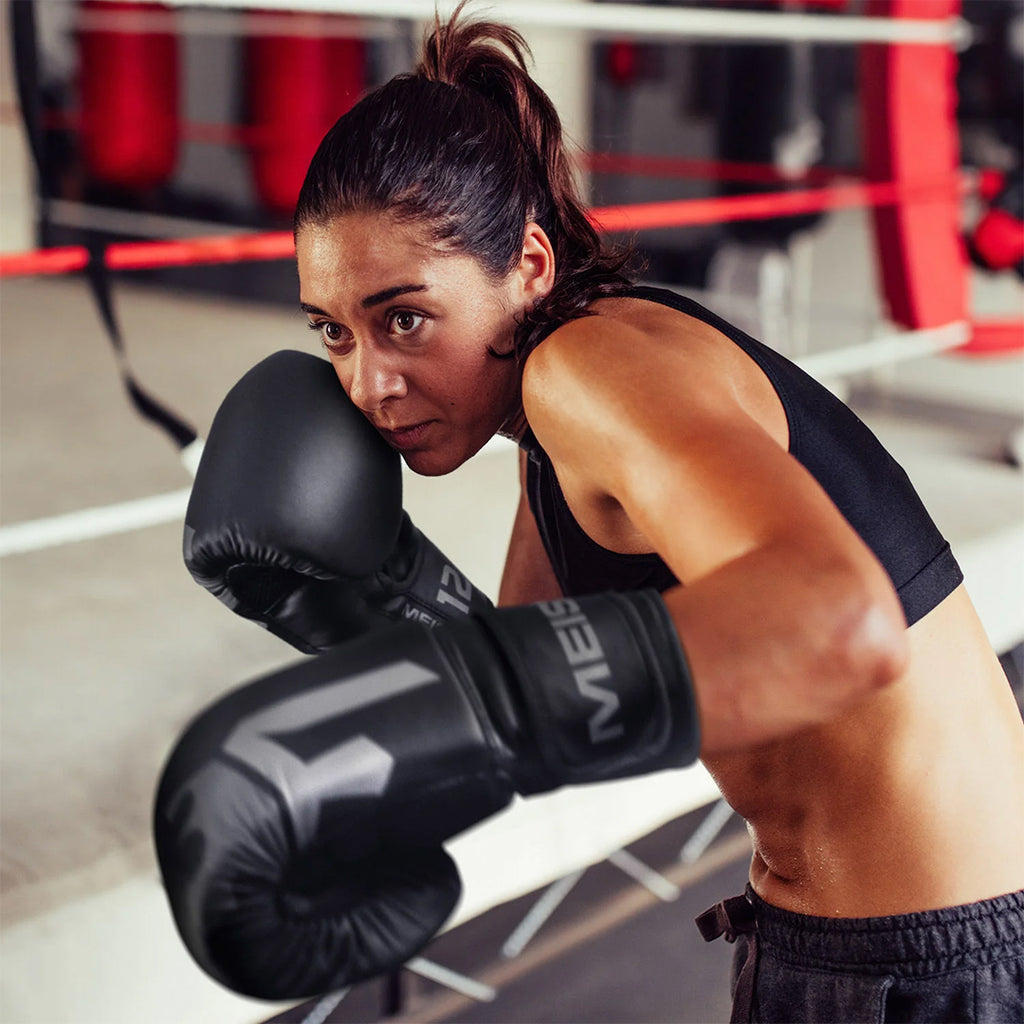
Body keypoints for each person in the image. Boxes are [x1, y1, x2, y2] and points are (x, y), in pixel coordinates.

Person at [155, 5, 1024, 1021]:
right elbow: (563, 703)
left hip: (929, 968)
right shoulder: (555, 420)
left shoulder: (586, 369)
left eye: (404, 318)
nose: (368, 384)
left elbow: (842, 621)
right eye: (332, 332)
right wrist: (365, 601)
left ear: (527, 266)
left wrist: (414, 711)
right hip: (870, 941)